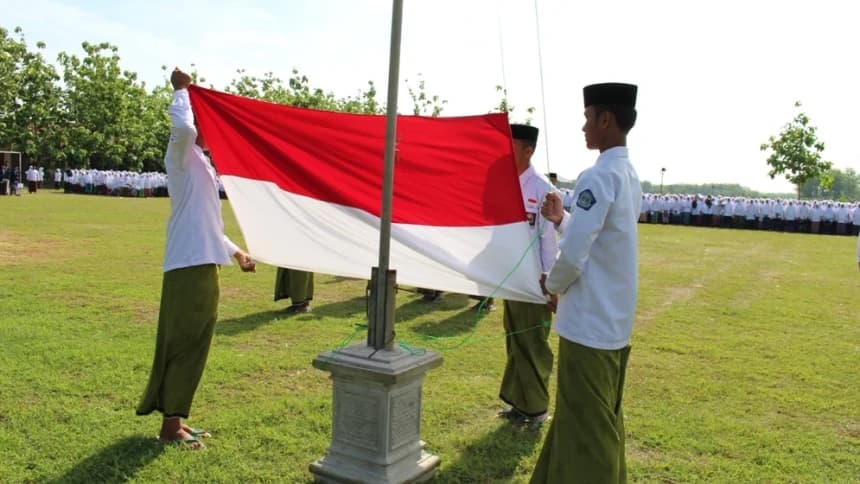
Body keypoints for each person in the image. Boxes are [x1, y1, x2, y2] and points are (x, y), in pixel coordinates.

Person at [136, 68, 256, 449]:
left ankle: (175, 418)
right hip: (188, 265)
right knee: (183, 342)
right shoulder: (182, 157)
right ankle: (169, 427)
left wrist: (236, 251)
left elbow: (207, 224)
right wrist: (181, 92)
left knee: (196, 342)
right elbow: (184, 129)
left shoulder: (202, 163)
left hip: (204, 263)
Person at [532, 83, 641, 483]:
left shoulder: (597, 176)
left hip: (589, 325)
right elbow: (600, 238)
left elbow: (576, 254)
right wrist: (563, 219)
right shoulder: (627, 174)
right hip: (613, 320)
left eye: (587, 117)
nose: (583, 127)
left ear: (605, 119)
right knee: (593, 415)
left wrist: (553, 285)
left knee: (589, 430)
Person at [496, 123, 559, 426]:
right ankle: (519, 403)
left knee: (533, 342)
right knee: (514, 340)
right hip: (510, 278)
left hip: (535, 281)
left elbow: (549, 240)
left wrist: (550, 281)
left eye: (511, 145)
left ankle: (536, 408)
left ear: (528, 150)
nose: (504, 151)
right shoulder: (504, 184)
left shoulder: (542, 188)